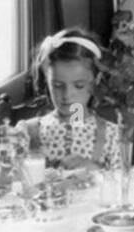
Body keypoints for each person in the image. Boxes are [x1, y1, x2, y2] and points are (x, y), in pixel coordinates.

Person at [20, 28, 121, 169]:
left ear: (96, 80)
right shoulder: (26, 133)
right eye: (57, 85)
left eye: (79, 85)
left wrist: (97, 172)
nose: (67, 95)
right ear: (47, 79)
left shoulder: (112, 135)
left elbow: (122, 187)